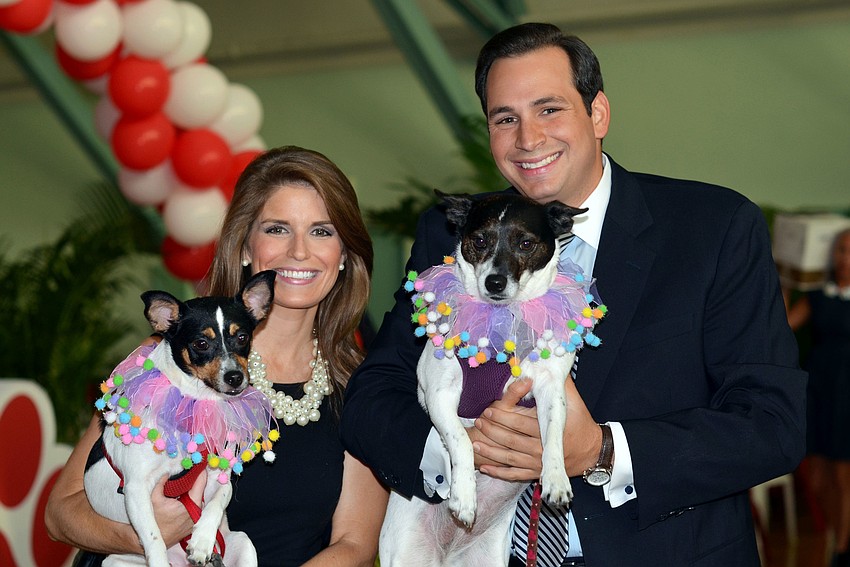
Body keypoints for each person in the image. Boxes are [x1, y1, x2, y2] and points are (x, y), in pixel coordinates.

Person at [340, 22, 807, 566]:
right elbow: (376, 393)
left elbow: (773, 424)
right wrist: (456, 451)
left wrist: (602, 451)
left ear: (599, 113)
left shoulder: (712, 228)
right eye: (504, 118)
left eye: (549, 109)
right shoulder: (456, 238)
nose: (528, 139)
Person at [45, 146, 388, 566]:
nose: (300, 251)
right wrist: (149, 539)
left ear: (345, 255)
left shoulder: (363, 386)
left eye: (322, 231)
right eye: (278, 229)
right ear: (245, 247)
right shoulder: (165, 363)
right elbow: (60, 514)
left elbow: (354, 545)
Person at [786, 228, 850, 567]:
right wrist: (782, 284)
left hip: (848, 392)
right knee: (817, 471)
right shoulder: (818, 295)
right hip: (820, 386)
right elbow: (783, 328)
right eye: (840, 250)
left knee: (843, 473)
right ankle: (832, 534)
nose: (844, 258)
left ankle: (842, 548)